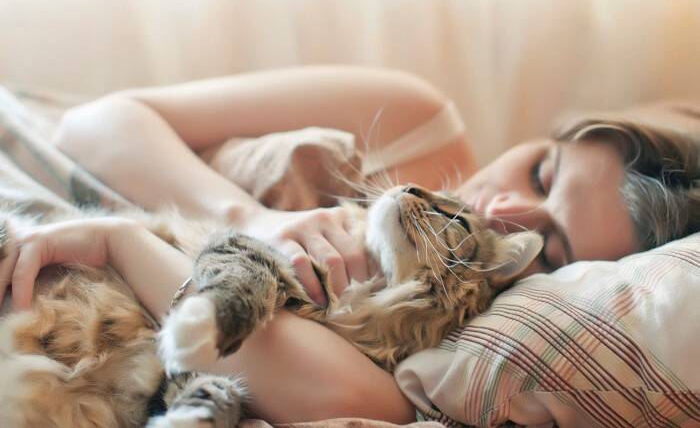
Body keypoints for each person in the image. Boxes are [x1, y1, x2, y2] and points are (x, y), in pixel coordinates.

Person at [1, 66, 699, 424]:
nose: (502, 208)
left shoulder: (451, 339)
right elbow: (95, 125)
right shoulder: (417, 121)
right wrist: (248, 216)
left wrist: (127, 246)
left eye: (550, 245)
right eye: (542, 172)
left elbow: (336, 394)